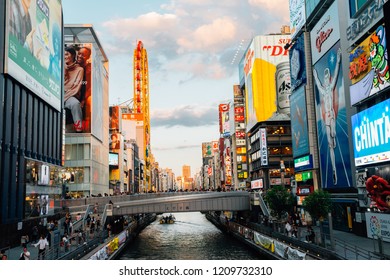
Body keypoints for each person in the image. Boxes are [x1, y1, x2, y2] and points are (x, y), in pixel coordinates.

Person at [313, 48, 342, 185]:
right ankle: (335, 171)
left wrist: (338, 60)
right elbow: (317, 82)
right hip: (326, 118)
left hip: (332, 116)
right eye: (324, 77)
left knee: (333, 133)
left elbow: (336, 74)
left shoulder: (330, 88)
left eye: (326, 76)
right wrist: (314, 74)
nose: (325, 79)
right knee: (331, 146)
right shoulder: (323, 90)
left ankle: (333, 138)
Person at [64, 46, 84, 132]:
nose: (65, 56)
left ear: (72, 55)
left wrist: (63, 98)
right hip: (57, 92)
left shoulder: (79, 69)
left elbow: (76, 87)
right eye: (63, 55)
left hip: (69, 94)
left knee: (75, 104)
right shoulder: (60, 66)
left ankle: (79, 129)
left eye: (66, 54)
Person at [76, 46, 92, 131]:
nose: (80, 56)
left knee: (90, 101)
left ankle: (87, 127)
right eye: (79, 53)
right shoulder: (73, 65)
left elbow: (90, 87)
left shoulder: (90, 68)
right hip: (74, 94)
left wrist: (83, 100)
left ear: (88, 57)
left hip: (85, 95)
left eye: (83, 55)